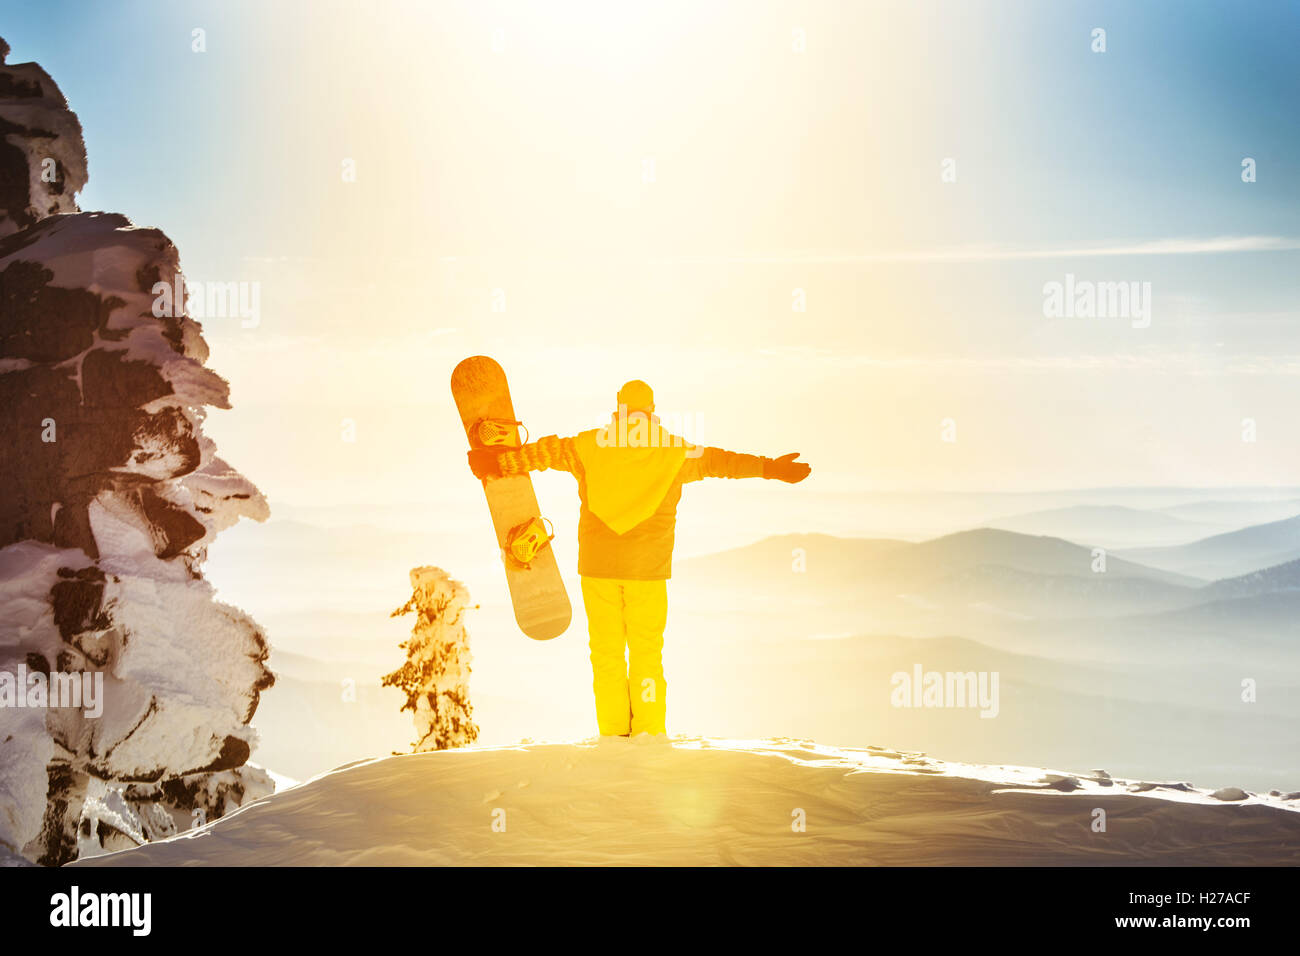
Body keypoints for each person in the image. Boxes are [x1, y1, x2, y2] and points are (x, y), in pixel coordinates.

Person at [467, 379, 810, 741]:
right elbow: (722, 462)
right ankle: (649, 732)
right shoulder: (676, 453)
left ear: (618, 408)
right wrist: (771, 468)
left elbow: (544, 454)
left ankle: (614, 735)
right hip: (648, 571)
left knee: (606, 655)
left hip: (598, 569)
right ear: (651, 410)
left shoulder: (589, 445)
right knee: (647, 654)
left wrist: (497, 462)